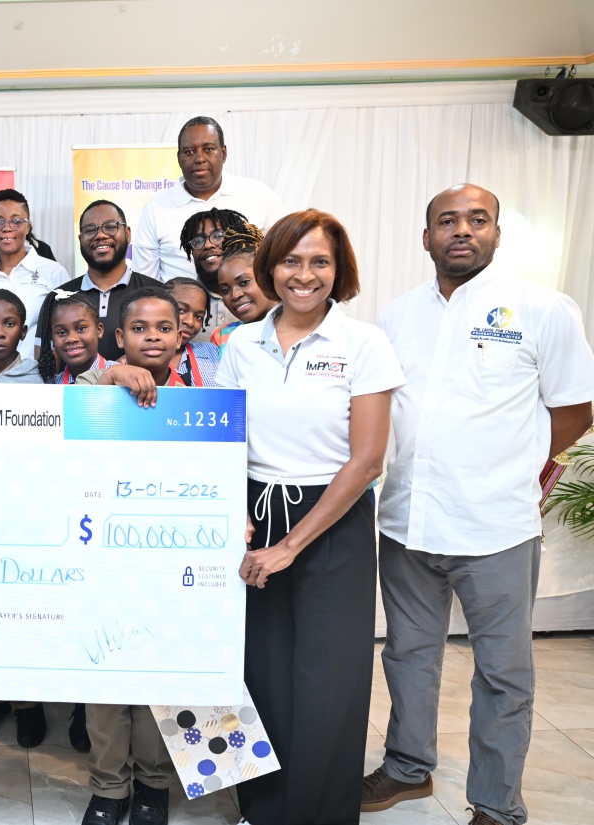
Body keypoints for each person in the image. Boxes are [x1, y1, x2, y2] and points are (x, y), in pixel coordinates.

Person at [362, 184, 594, 825]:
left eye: (477, 219)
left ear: (495, 233)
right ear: (426, 236)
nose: (461, 230)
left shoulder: (542, 309)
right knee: (408, 656)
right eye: (446, 221)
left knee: (503, 674)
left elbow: (575, 405)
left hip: (496, 526)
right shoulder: (397, 315)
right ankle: (408, 768)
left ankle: (496, 804)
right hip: (408, 520)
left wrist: (515, 464)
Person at [214, 209, 404, 825]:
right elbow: (225, 437)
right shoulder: (241, 343)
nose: (304, 274)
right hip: (255, 512)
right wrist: (234, 507)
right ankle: (261, 809)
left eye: (319, 261)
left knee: (327, 681)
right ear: (271, 267)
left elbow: (367, 458)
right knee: (260, 674)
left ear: (337, 269)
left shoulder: (363, 342)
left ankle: (318, 814)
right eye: (291, 260)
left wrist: (290, 546)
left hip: (332, 521)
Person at [75, 287, 187, 825]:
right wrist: (109, 376)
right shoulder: (93, 387)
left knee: (158, 680)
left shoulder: (200, 396)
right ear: (119, 338)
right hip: (103, 561)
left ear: (180, 335)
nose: (152, 337)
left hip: (170, 564)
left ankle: (153, 784)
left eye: (163, 328)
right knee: (107, 679)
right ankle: (109, 787)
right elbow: (66, 415)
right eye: (139, 328)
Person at [133, 117, 285, 283]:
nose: (199, 158)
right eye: (189, 152)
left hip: (247, 306)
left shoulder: (259, 195)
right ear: (179, 158)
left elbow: (282, 260)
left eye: (208, 149)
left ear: (224, 153)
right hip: (181, 307)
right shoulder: (156, 208)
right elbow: (145, 281)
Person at [56, 200, 163, 362]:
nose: (100, 235)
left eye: (111, 227)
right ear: (80, 239)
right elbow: (46, 363)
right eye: (90, 230)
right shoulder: (58, 298)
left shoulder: (158, 294)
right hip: (74, 388)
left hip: (144, 388)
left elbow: (174, 355)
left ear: (127, 233)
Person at [0, 189, 69, 359]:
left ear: (28, 226)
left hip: (40, 377)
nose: (7, 228)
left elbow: (66, 328)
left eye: (16, 221)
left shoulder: (53, 273)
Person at [178, 207, 252, 332]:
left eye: (218, 236)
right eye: (197, 241)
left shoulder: (264, 294)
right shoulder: (178, 301)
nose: (207, 245)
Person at [211, 222, 277, 355]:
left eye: (244, 282)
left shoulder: (301, 329)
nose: (234, 295)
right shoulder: (224, 336)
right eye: (225, 290)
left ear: (269, 275)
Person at [36, 289, 115, 386]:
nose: (71, 338)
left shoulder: (120, 374)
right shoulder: (53, 386)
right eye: (61, 332)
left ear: (99, 330)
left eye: (81, 328)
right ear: (52, 337)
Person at [164, 277, 219, 386]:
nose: (190, 322)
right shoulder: (137, 356)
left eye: (198, 317)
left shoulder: (213, 353)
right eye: (181, 310)